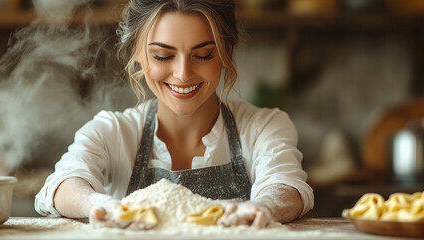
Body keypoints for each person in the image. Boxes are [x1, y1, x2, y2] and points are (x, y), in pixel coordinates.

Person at [35, 0, 314, 229]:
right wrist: (100, 205)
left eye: (203, 55)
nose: (182, 74)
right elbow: (62, 184)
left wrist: (262, 206)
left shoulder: (263, 126)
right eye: (162, 56)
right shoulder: (111, 131)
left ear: (226, 52)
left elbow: (285, 186)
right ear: (138, 53)